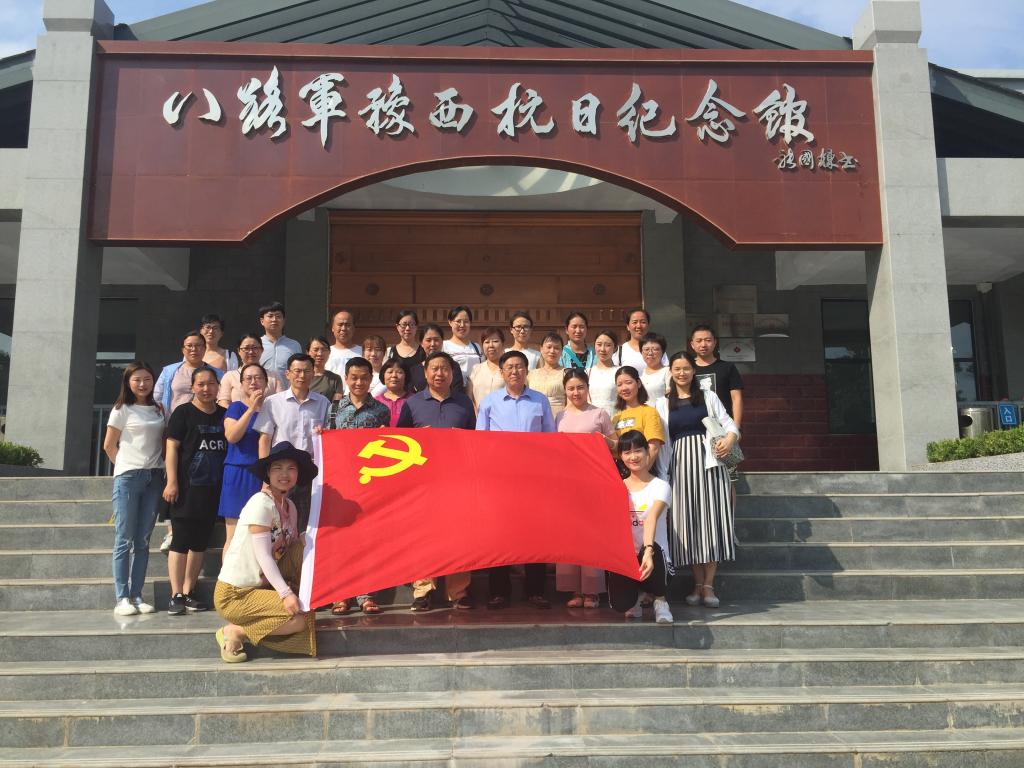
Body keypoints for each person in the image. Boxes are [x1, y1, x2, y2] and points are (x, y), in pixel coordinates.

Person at [214, 442, 318, 662]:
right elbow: (263, 555)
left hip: (261, 585)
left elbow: (290, 549)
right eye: (277, 468)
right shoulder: (260, 503)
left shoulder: (290, 506)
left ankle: (285, 601)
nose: (284, 474)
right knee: (300, 618)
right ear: (268, 473)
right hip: (235, 594)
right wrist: (285, 594)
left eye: (291, 468)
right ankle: (235, 631)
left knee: (306, 543)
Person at [657, 351, 739, 610]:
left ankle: (709, 586)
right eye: (677, 369)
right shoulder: (663, 403)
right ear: (671, 372)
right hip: (680, 467)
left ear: (694, 371)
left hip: (710, 465)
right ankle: (697, 583)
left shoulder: (708, 396)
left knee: (710, 521)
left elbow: (729, 424)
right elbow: (663, 442)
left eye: (686, 368)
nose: (682, 373)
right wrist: (663, 474)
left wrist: (730, 439)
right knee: (689, 523)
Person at [397, 351, 477, 611]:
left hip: (457, 480)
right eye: (434, 368)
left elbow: (476, 440)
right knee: (423, 536)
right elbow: (400, 442)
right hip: (423, 482)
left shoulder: (464, 403)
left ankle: (459, 591)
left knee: (459, 535)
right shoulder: (412, 404)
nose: (439, 373)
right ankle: (423, 591)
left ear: (452, 374)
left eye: (445, 368)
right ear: (425, 372)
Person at [477, 350, 555, 609]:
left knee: (536, 533)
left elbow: (550, 440)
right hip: (501, 480)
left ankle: (535, 591)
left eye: (519, 366)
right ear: (501, 372)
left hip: (533, 479)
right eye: (509, 367)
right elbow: (480, 442)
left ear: (526, 370)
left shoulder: (540, 401)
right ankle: (498, 591)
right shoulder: (489, 402)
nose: (514, 371)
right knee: (499, 534)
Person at [326, 356, 391, 616]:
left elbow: (386, 448)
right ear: (346, 378)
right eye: (354, 378)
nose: (359, 382)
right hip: (340, 483)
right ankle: (340, 594)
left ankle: (366, 594)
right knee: (340, 539)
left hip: (369, 483)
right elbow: (326, 441)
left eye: (364, 378)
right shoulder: (333, 409)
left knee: (367, 539)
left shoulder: (381, 411)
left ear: (371, 379)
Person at [162, 366, 227, 615]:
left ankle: (189, 592)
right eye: (201, 384)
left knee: (200, 544)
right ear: (192, 387)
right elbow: (172, 448)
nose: (206, 388)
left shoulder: (224, 415)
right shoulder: (183, 413)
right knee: (180, 541)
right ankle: (175, 594)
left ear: (218, 386)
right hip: (186, 488)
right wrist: (172, 481)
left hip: (213, 490)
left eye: (211, 383)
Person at [103, 361, 165, 616]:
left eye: (147, 379)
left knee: (143, 540)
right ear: (128, 382)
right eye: (137, 379)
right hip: (128, 478)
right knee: (124, 539)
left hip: (155, 477)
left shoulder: (159, 408)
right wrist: (124, 467)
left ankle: (137, 595)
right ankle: (122, 598)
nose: (142, 384)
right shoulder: (121, 409)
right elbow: (109, 445)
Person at [555, 369, 613, 609]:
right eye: (570, 388)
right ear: (565, 390)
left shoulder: (600, 414)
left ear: (587, 388)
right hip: (565, 483)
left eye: (580, 387)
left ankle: (592, 590)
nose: (575, 392)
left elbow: (616, 446)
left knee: (591, 535)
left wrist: (604, 442)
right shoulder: (559, 416)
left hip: (593, 482)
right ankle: (574, 589)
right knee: (569, 535)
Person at [254, 353, 331, 532]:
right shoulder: (273, 402)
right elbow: (265, 440)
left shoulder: (323, 403)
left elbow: (328, 439)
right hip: (281, 471)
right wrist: (265, 477)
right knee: (277, 522)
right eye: (297, 371)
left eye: (307, 371)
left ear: (313, 373)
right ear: (287, 373)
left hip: (309, 472)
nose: (302, 376)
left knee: (305, 524)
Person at [606, 429, 674, 624]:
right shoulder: (617, 487)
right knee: (620, 604)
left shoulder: (660, 486)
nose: (633, 457)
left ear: (647, 452)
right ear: (620, 457)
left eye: (638, 451)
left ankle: (661, 601)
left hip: (655, 556)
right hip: (628, 557)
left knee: (652, 550)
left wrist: (648, 551)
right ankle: (634, 598)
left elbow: (651, 518)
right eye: (627, 452)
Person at [217, 363, 268, 552]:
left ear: (266, 382)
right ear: (241, 384)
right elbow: (232, 436)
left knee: (260, 534)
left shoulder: (271, 407)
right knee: (234, 535)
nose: (253, 382)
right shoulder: (236, 408)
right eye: (248, 378)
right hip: (238, 472)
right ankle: (228, 572)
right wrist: (251, 409)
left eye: (258, 378)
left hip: (262, 475)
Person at [154, 330, 225, 414]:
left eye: (198, 345)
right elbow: (157, 397)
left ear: (205, 348)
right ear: (183, 350)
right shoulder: (169, 371)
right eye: (189, 346)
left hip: (207, 419)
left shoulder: (218, 374)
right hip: (173, 419)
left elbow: (223, 398)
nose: (194, 349)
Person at [611, 366, 666, 470]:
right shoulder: (615, 417)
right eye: (619, 385)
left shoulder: (649, 412)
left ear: (638, 383)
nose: (624, 388)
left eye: (628, 382)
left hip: (644, 471)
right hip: (622, 472)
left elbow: (653, 448)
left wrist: (641, 473)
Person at [218, 334, 281, 407]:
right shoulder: (229, 376)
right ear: (238, 351)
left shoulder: (273, 376)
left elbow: (281, 402)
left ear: (262, 350)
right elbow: (223, 403)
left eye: (255, 348)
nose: (251, 352)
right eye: (246, 348)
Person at [408, 323, 466, 394]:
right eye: (428, 340)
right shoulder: (415, 370)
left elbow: (458, 393)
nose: (432, 344)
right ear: (421, 343)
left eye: (436, 340)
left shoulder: (453, 366)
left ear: (442, 341)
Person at [258, 302, 302, 388]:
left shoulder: (294, 345)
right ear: (262, 321)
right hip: (261, 392)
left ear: (284, 321)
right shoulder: (256, 344)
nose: (274, 319)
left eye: (278, 316)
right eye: (270, 316)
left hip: (287, 393)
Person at [528, 332, 567, 418]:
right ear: (541, 349)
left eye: (556, 348)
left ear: (561, 351)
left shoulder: (566, 373)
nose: (552, 351)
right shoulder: (531, 374)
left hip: (559, 417)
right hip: (534, 417)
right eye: (549, 347)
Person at [468, 327, 506, 409]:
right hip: (478, 415)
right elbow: (469, 396)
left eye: (495, 341)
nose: (491, 345)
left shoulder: (509, 369)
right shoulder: (476, 369)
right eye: (487, 342)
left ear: (503, 344)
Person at [443, 305, 482, 379]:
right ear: (450, 322)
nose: (462, 325)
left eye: (466, 322)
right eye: (458, 321)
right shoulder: (444, 346)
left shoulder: (476, 347)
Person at [588, 330, 620, 420]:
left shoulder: (620, 372)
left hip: (614, 420)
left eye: (608, 345)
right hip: (592, 421)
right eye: (599, 344)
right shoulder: (587, 372)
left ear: (615, 348)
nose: (602, 349)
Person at [325, 309, 363, 376]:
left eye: (348, 325)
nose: (343, 328)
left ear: (353, 328)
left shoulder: (363, 352)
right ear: (332, 328)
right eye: (340, 324)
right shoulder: (325, 353)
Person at [375, 357, 409, 427]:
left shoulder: (414, 400)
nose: (394, 376)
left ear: (406, 376)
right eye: (390, 372)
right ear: (383, 375)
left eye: (399, 372)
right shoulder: (375, 402)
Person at [307, 336, 343, 402]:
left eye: (324, 350)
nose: (320, 354)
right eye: (315, 350)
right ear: (308, 352)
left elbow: (336, 405)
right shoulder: (301, 376)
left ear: (329, 353)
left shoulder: (335, 379)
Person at [639, 332, 670, 409]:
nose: (650, 353)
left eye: (655, 349)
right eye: (646, 349)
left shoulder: (667, 372)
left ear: (663, 352)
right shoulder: (641, 374)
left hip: (661, 414)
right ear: (641, 352)